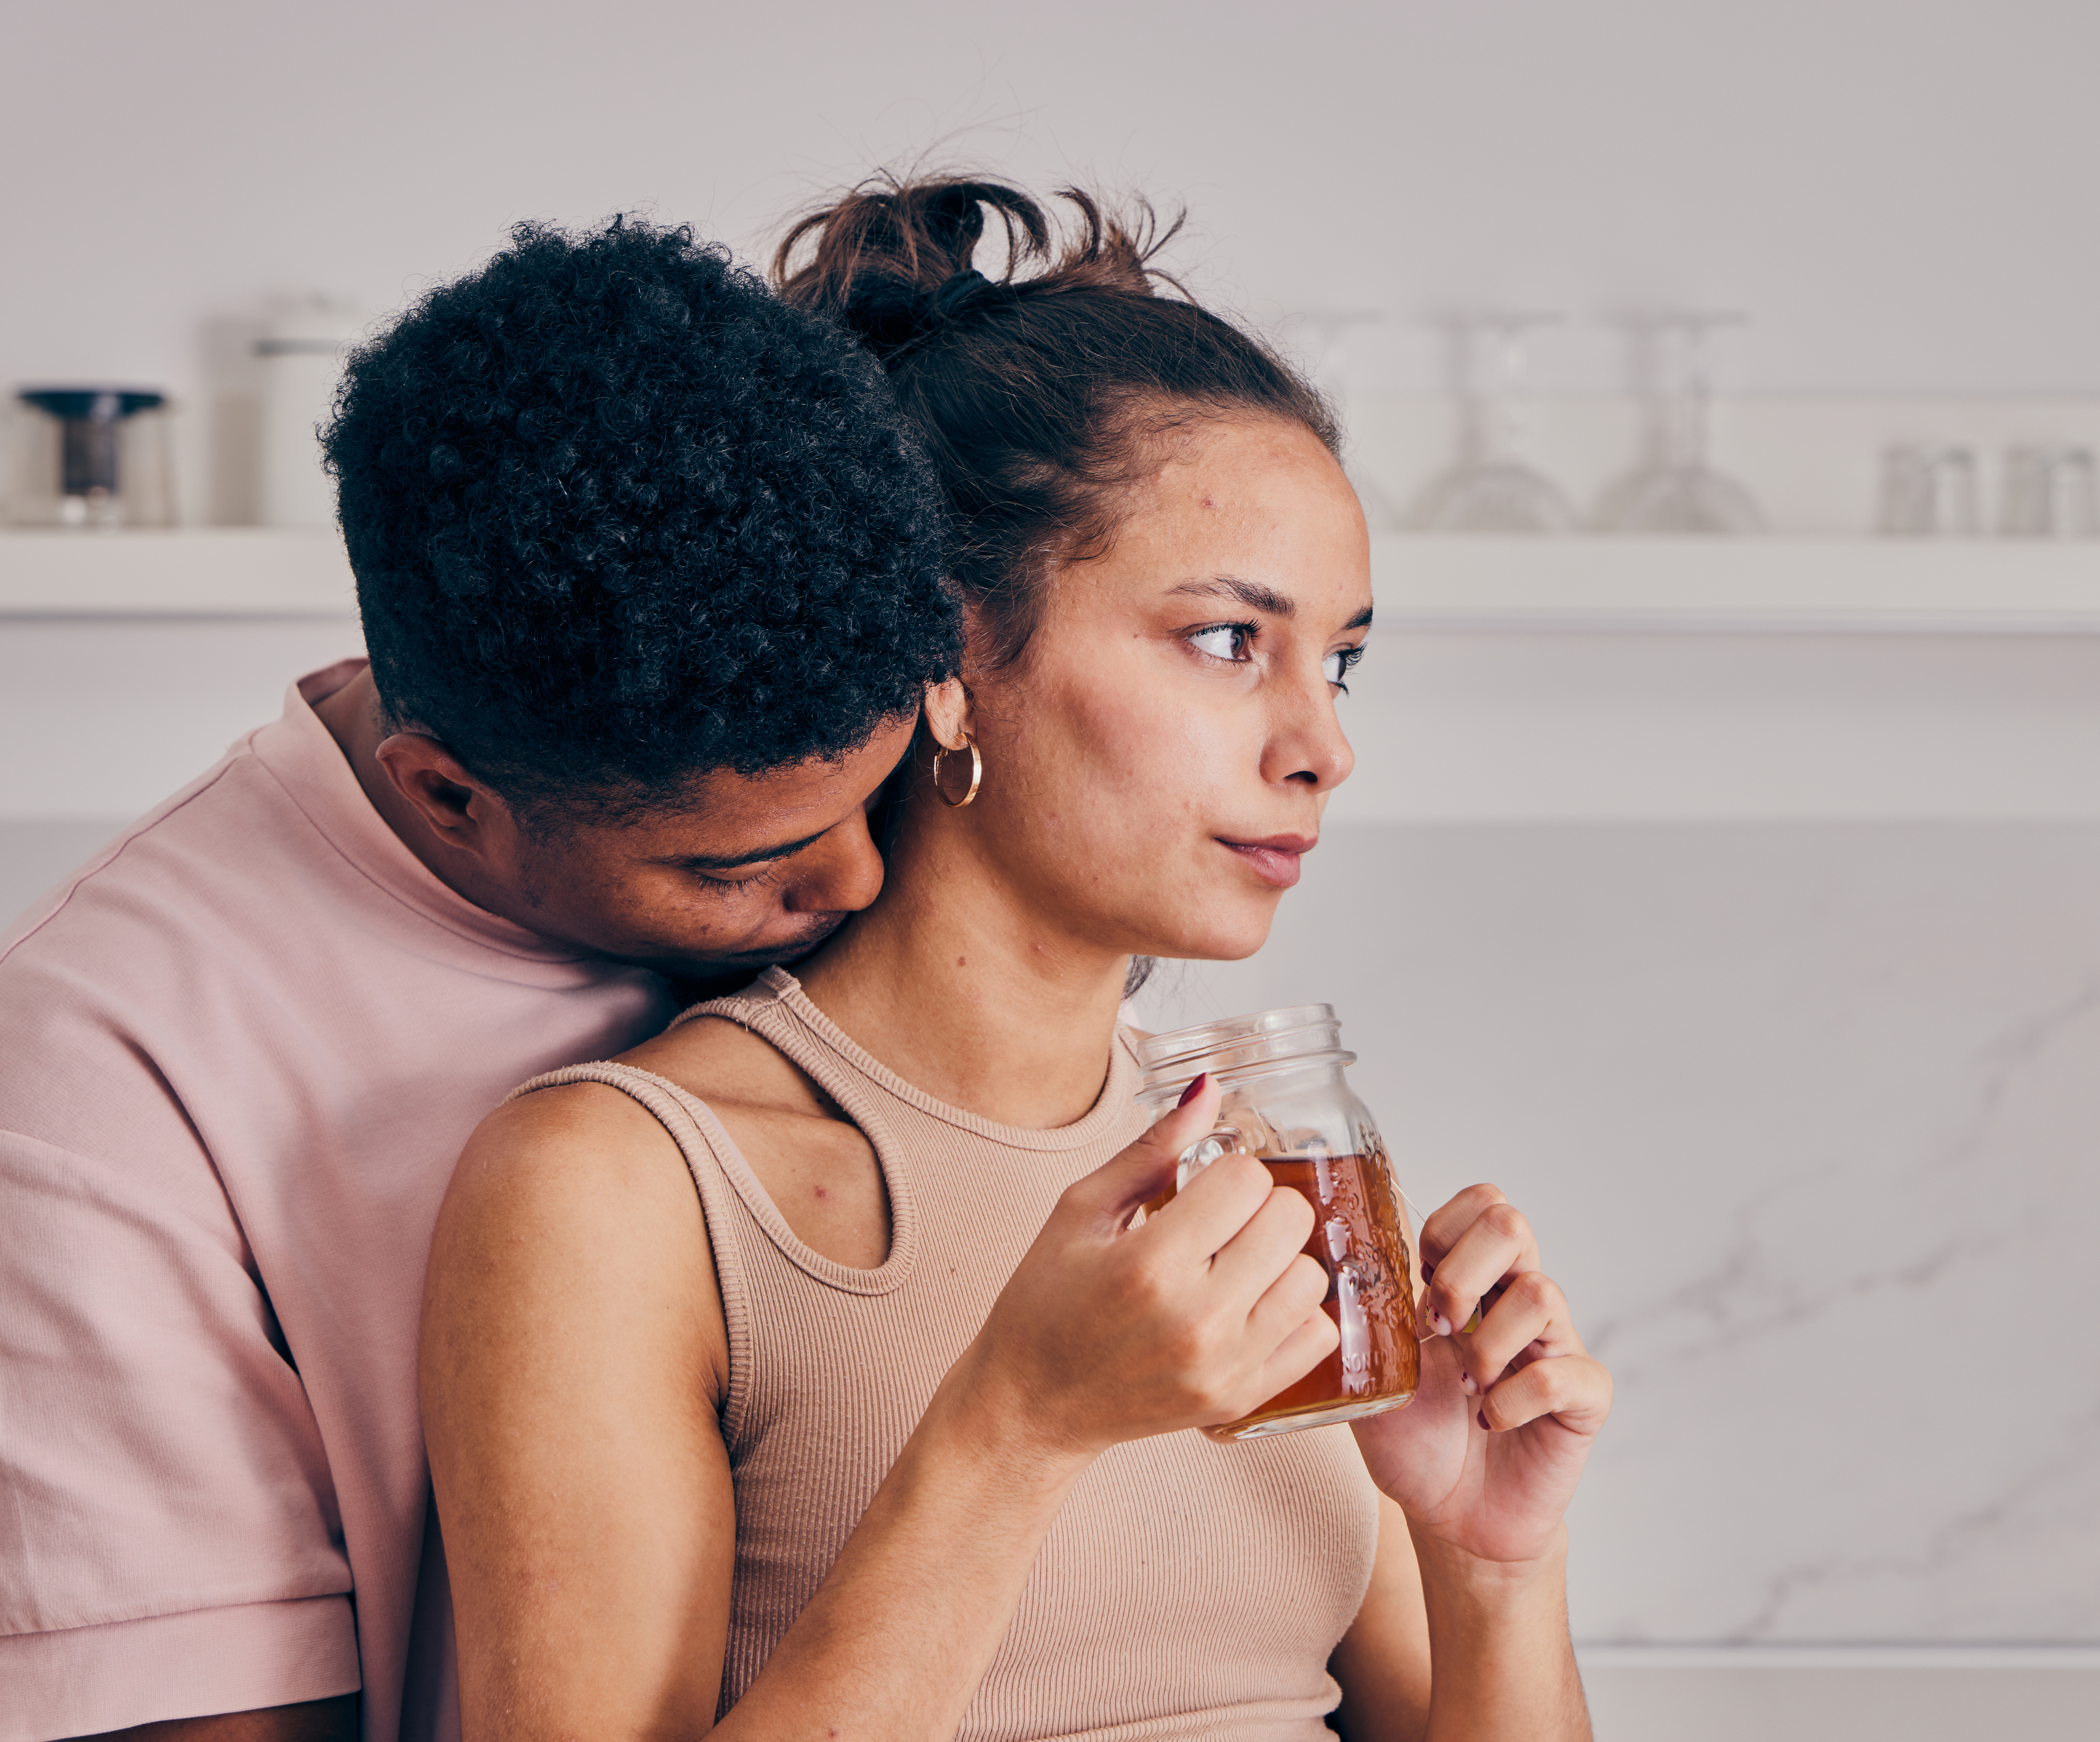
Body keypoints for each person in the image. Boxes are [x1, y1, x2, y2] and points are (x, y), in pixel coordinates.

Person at [421, 177, 1614, 1741]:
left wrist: (1487, 1565)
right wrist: (1013, 1428)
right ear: (954, 662)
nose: (1321, 744)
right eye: (1223, 641)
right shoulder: (624, 1185)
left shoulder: (1257, 1177)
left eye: (1340, 660)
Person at [0, 219, 960, 1742]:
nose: (858, 885)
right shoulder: (80, 1076)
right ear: (448, 793)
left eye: (883, 792)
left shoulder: (845, 829)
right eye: (738, 867)